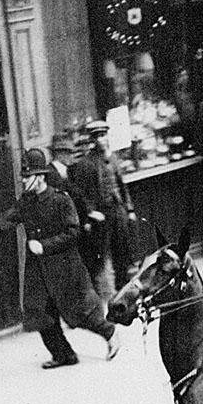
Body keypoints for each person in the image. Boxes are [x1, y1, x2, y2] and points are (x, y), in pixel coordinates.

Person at [0, 149, 119, 368]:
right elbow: (10, 216)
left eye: (27, 177)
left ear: (40, 177)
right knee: (39, 312)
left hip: (65, 267)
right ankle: (64, 355)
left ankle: (110, 333)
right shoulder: (27, 201)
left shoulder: (61, 200)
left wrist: (44, 246)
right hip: (38, 270)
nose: (23, 180)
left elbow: (73, 232)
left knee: (79, 310)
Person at [68, 119, 137, 293]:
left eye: (103, 135)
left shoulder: (113, 158)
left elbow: (122, 185)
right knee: (101, 257)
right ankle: (104, 294)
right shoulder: (87, 163)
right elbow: (83, 194)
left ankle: (123, 291)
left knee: (122, 251)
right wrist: (91, 213)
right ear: (93, 140)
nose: (101, 140)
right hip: (102, 215)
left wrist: (129, 209)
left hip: (118, 210)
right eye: (97, 136)